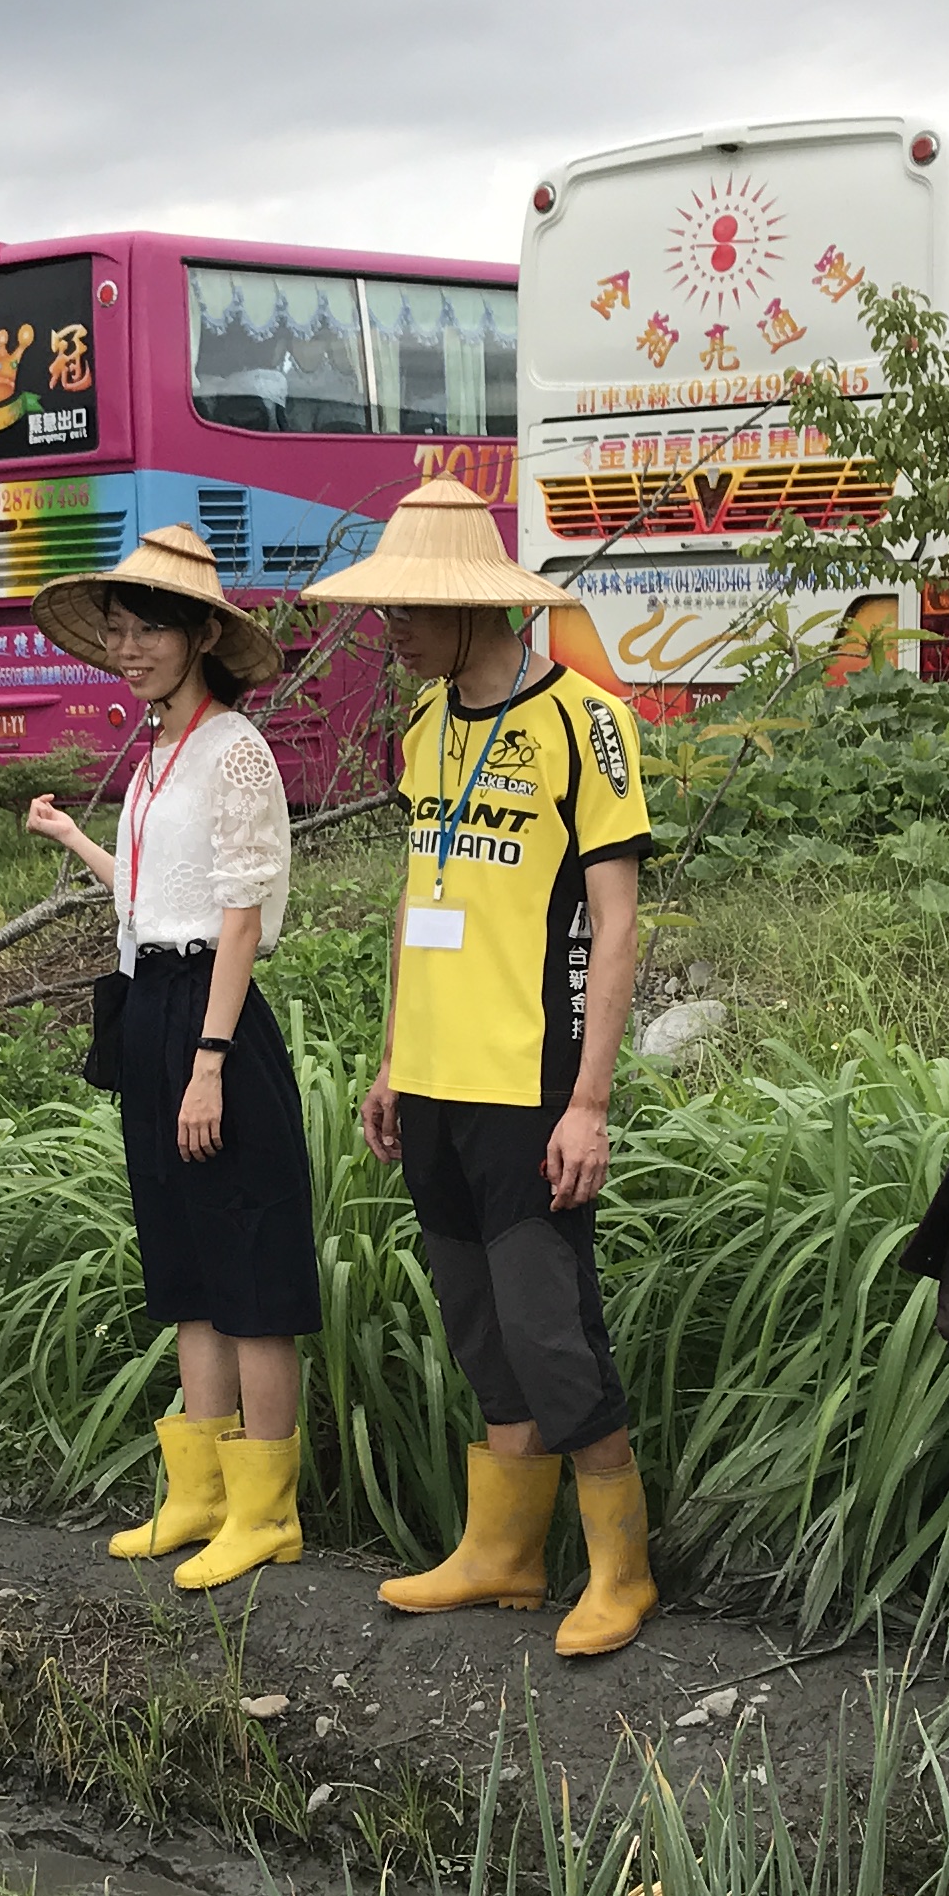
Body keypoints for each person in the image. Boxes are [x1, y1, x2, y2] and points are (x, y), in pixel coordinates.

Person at [304, 476, 658, 1661]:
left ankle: (621, 1569)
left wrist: (591, 1101)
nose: (389, 629)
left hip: (532, 1085)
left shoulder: (586, 723)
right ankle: (504, 1553)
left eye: (408, 609)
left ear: (473, 607)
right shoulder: (426, 729)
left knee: (552, 1330)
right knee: (476, 1325)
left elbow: (616, 922)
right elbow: (420, 902)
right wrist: (394, 1058)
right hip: (439, 1083)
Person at [21, 529, 321, 1591]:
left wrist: (209, 1058)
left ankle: (265, 1511)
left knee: (253, 1269)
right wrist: (77, 843)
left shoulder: (234, 746)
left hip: (212, 1016)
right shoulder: (158, 753)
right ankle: (198, 1495)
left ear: (202, 635)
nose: (129, 645)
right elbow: (156, 899)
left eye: (150, 627)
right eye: (117, 627)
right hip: (153, 1000)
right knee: (188, 1265)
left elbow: (238, 917)